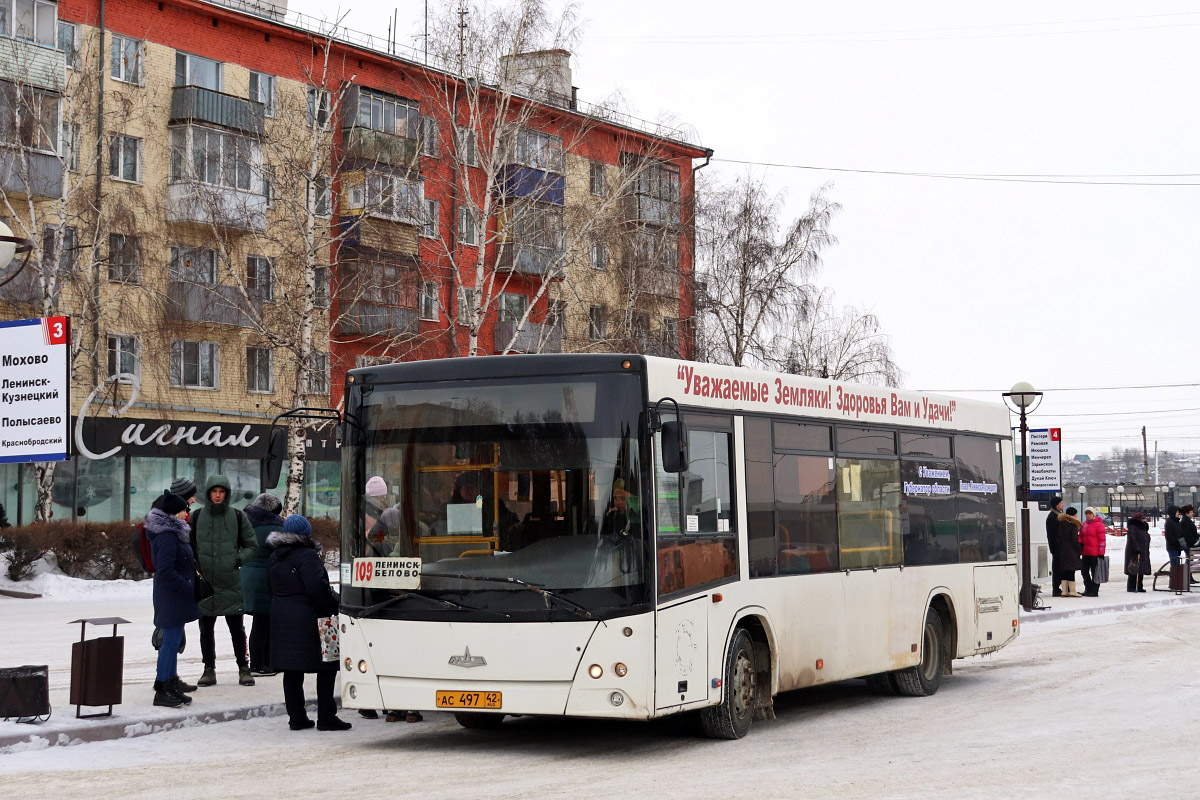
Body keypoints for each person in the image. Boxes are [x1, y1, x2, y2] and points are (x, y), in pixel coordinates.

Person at [268, 514, 350, 731]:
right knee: (327, 667)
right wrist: (333, 604)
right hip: (310, 618)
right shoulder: (308, 556)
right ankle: (326, 717)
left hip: (281, 618)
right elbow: (317, 588)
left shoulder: (274, 557)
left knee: (292, 671)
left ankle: (296, 718)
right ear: (306, 533)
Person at [190, 474, 257, 688]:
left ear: (226, 494)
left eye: (221, 492)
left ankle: (243, 668)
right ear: (208, 493)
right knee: (205, 628)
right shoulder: (197, 516)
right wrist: (196, 566)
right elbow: (188, 546)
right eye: (214, 491)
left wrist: (238, 559)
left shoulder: (238, 516)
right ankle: (208, 669)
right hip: (206, 583)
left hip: (230, 581)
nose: (218, 495)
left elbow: (252, 546)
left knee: (236, 628)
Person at [146, 490, 200, 707]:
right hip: (172, 596)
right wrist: (187, 586)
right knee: (169, 642)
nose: (185, 514)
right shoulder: (167, 535)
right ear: (171, 514)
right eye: (181, 511)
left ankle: (170, 682)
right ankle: (162, 688)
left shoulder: (174, 532)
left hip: (175, 595)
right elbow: (165, 569)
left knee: (174, 640)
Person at [242, 493, 284, 676]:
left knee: (261, 621)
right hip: (265, 578)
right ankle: (260, 664)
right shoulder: (275, 527)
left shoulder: (246, 523)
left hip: (247, 575)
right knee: (264, 622)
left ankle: (261, 663)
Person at [1055, 507, 1084, 597]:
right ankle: (1072, 591)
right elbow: (1074, 540)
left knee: (1064, 570)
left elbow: (1058, 538)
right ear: (1073, 515)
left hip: (1063, 550)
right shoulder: (1073, 525)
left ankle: (1064, 591)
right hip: (1072, 551)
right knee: (1071, 571)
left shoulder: (1061, 524)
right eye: (1075, 514)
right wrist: (1079, 549)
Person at [1079, 507, 1107, 597]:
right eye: (1086, 514)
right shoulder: (1084, 525)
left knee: (1095, 572)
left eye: (1089, 514)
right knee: (1084, 571)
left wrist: (1101, 553)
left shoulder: (1099, 525)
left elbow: (1102, 540)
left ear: (1093, 514)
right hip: (1086, 552)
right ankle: (1088, 588)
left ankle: (1094, 590)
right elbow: (1081, 536)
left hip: (1095, 553)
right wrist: (1080, 544)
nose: (1088, 515)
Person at [1125, 513, 1151, 593]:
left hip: (1143, 550)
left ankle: (1139, 586)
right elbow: (1132, 538)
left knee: (1141, 569)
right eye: (1142, 519)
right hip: (1134, 552)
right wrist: (1137, 548)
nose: (1144, 520)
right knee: (1133, 568)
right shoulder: (1133, 527)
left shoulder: (1143, 527)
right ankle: (1132, 586)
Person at [1045, 496, 1064, 596]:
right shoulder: (1053, 517)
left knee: (1059, 567)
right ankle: (1056, 589)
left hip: (1058, 547)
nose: (1063, 504)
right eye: (1061, 503)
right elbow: (1053, 535)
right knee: (1057, 568)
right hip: (1057, 548)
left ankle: (1058, 588)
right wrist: (1057, 548)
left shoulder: (1057, 515)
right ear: (1056, 505)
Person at [1181, 505, 1199, 584]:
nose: (1193, 513)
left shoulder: (1187, 521)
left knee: (1190, 560)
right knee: (1189, 560)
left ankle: (1189, 576)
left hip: (1190, 544)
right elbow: (1187, 534)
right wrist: (1194, 542)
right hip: (1189, 544)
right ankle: (1187, 577)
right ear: (1186, 513)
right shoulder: (1185, 522)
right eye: (1191, 512)